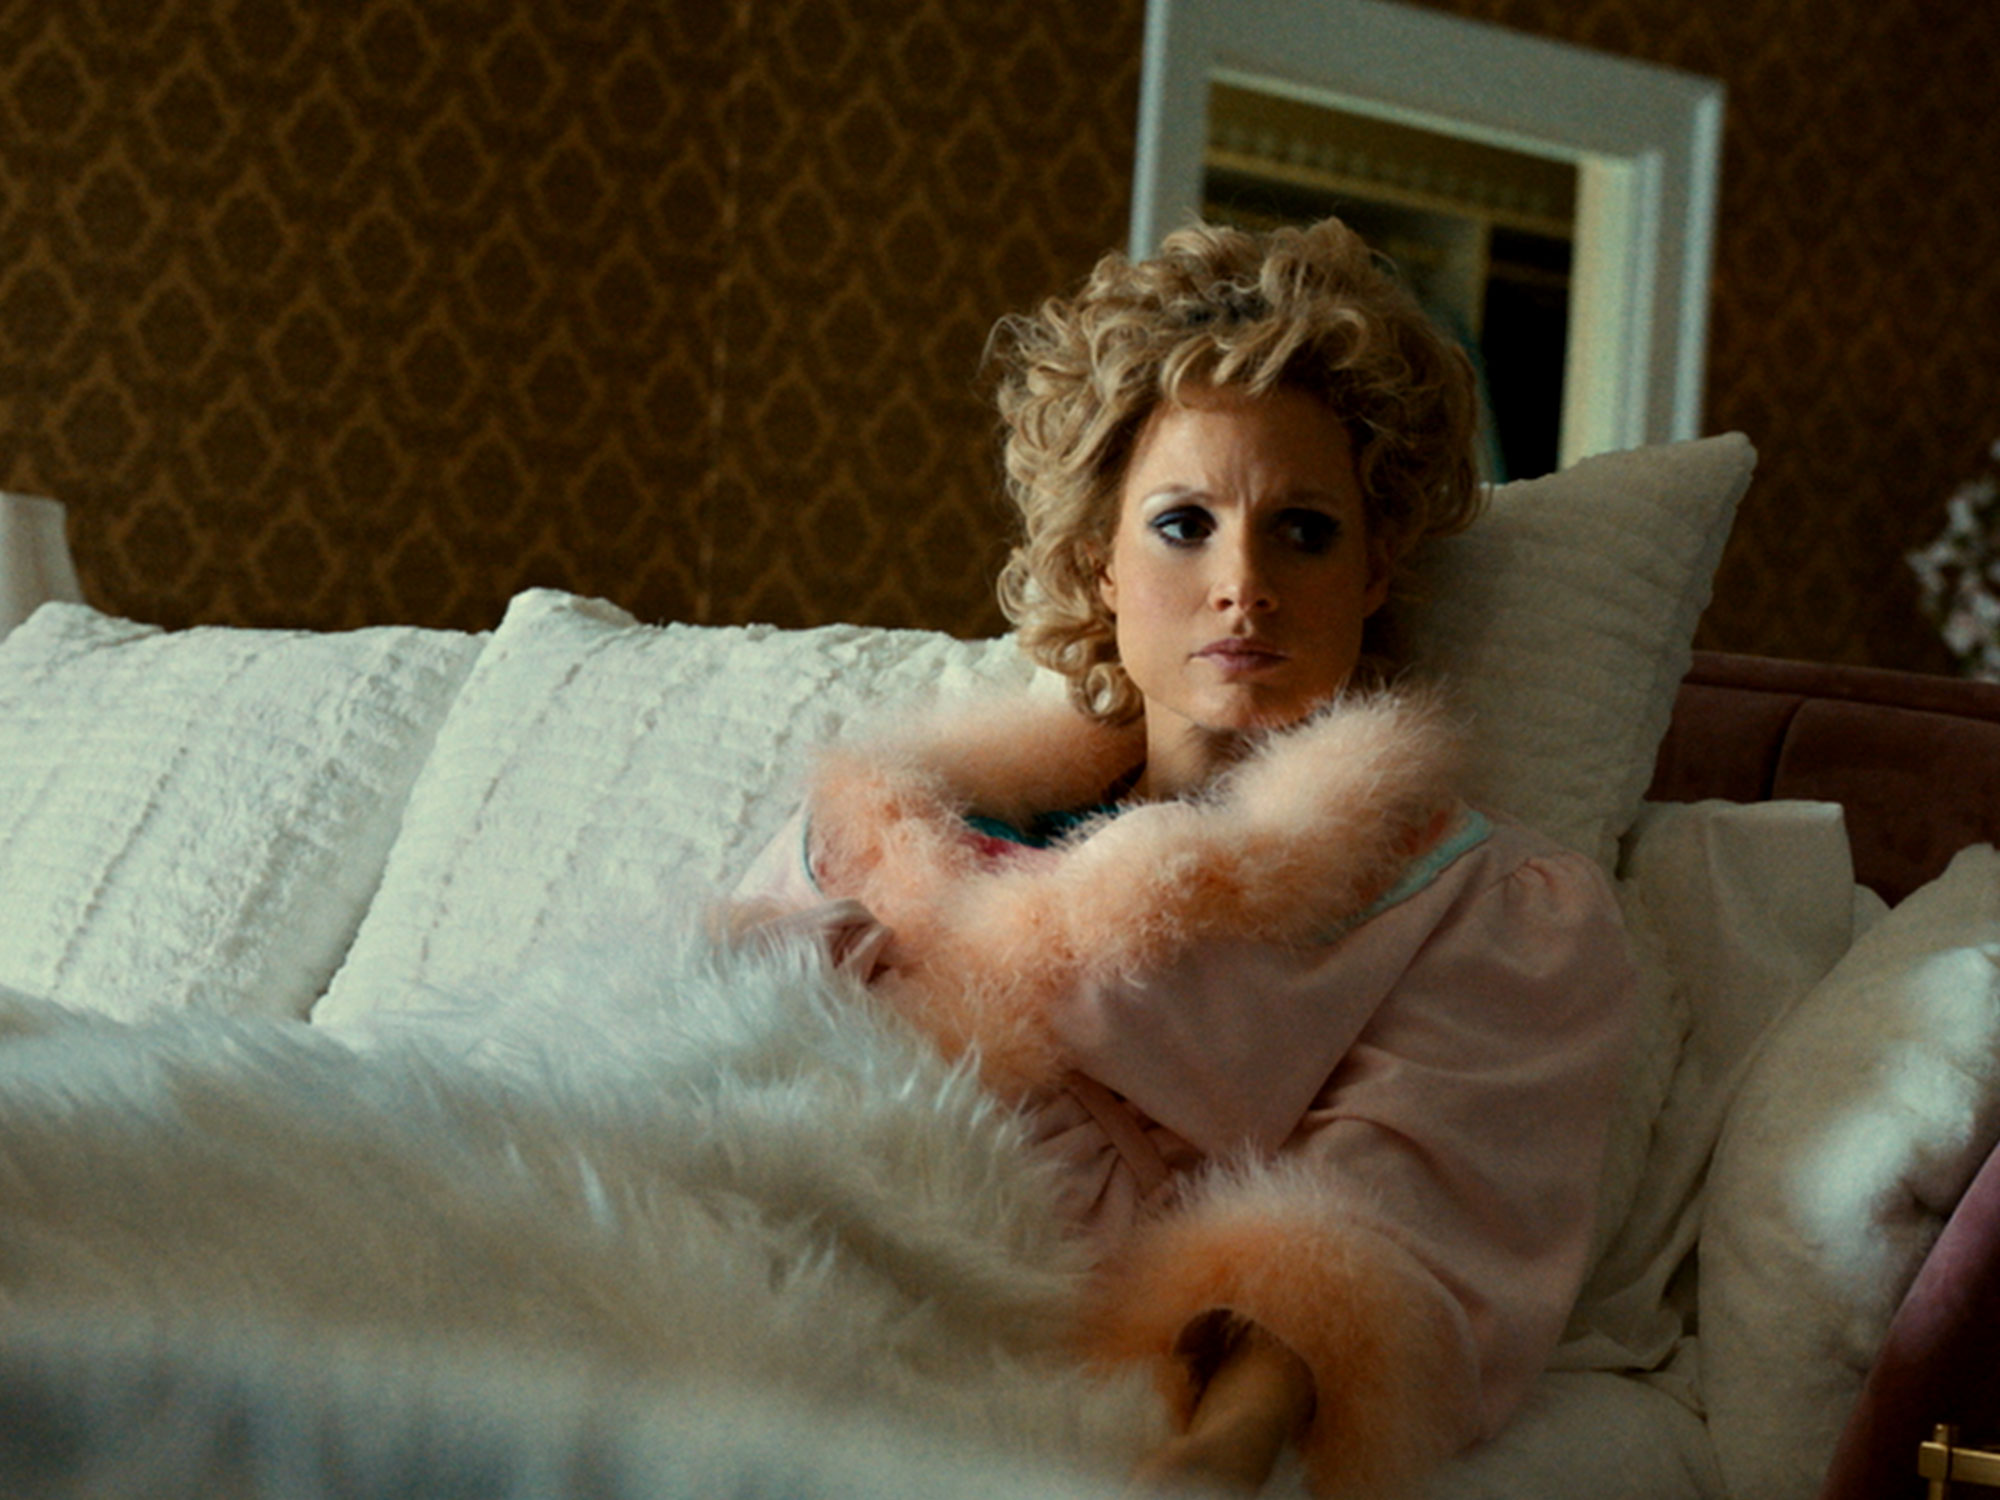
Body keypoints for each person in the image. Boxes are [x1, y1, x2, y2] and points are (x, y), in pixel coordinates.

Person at [729, 218, 1636, 1495]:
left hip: (1018, 1313)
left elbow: (1385, 1221)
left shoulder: (1480, 905)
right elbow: (695, 1033)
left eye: (1303, 530)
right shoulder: (890, 821)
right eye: (1182, 523)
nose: (1242, 582)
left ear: (1375, 572)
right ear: (1098, 561)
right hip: (741, 1212)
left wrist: (1224, 1445)